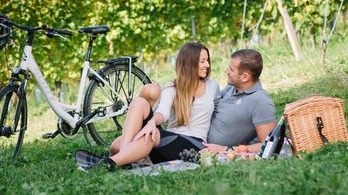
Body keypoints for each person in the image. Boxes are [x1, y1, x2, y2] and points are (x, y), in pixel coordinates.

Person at [77, 41, 220, 171]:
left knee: (147, 136)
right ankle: (124, 156)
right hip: (167, 145)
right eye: (202, 61)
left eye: (207, 61)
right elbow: (163, 112)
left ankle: (108, 163)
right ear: (189, 63)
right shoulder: (173, 87)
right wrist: (152, 122)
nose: (207, 65)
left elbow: (224, 107)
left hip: (195, 145)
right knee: (137, 108)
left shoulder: (212, 86)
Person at [201, 48, 277, 155]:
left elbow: (269, 144)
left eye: (231, 70)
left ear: (245, 77)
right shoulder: (232, 88)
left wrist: (226, 149)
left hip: (207, 148)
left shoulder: (260, 101)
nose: (226, 71)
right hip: (198, 136)